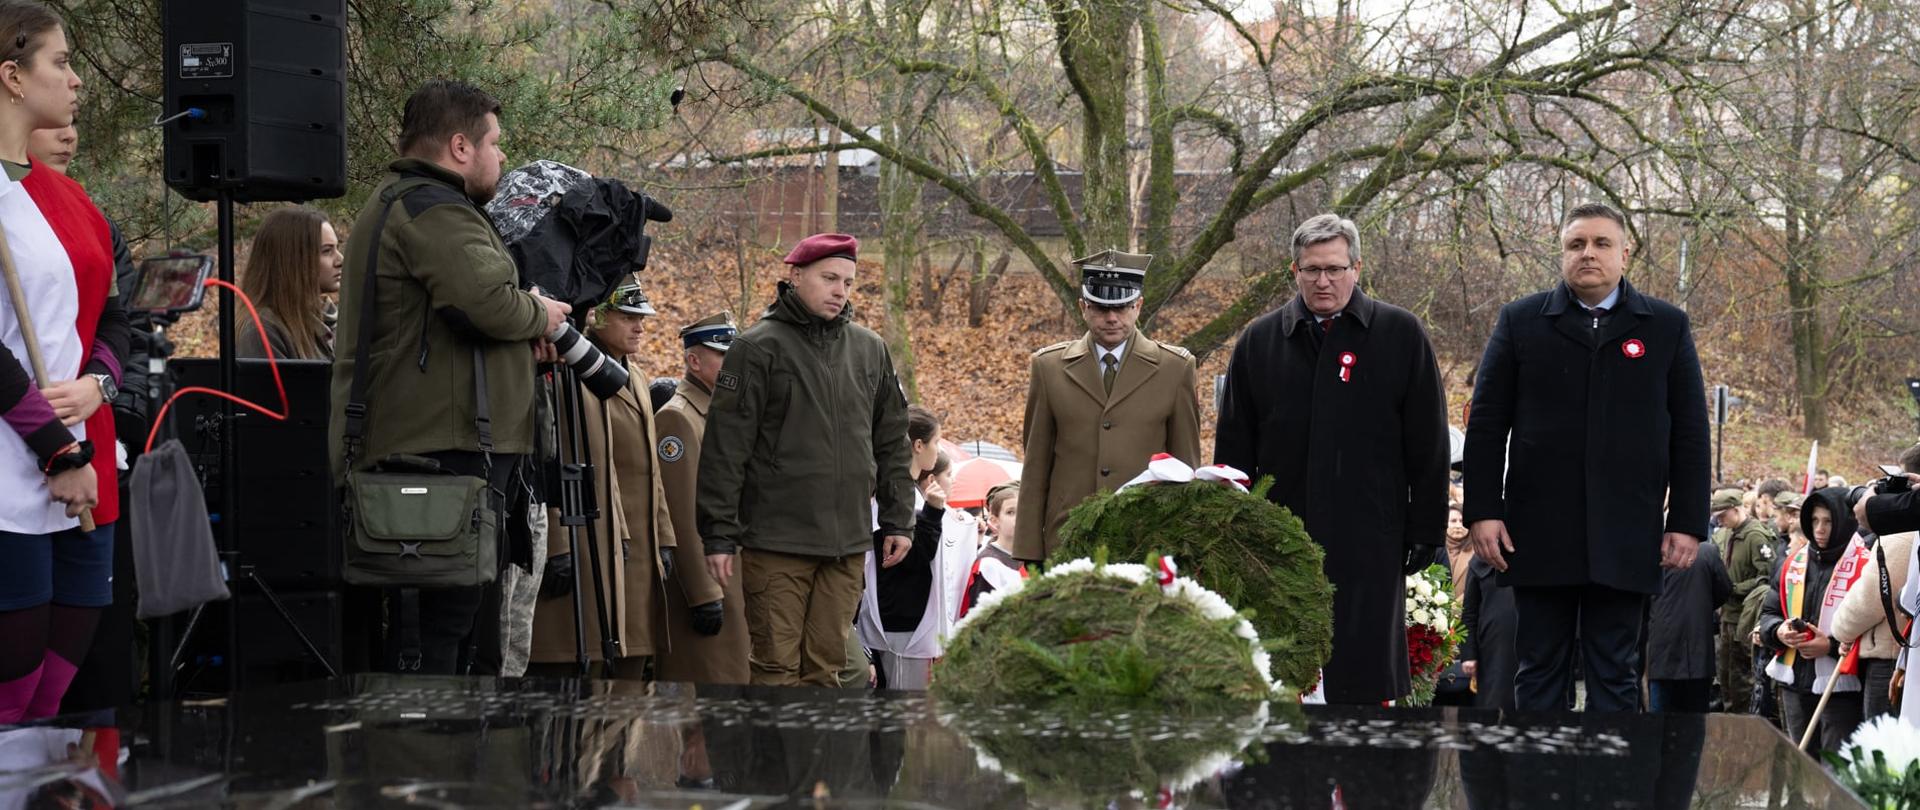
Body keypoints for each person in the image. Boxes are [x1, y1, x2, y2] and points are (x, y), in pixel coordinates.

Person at [328, 79, 571, 674]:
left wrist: (520, 348)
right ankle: (425, 761)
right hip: (437, 461)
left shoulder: (413, 203)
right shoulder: (432, 209)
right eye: (495, 144)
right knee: (435, 638)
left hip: (439, 455)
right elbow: (485, 302)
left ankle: (435, 757)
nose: (502, 157)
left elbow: (448, 327)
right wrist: (541, 312)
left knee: (451, 632)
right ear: (460, 147)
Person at [1464, 202, 1711, 713]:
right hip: (1537, 531)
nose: (1588, 254)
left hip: (1626, 531)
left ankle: (1611, 789)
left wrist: (1687, 521)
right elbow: (1486, 425)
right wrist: (1483, 511)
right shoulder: (1520, 321)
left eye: (1601, 243)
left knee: (1616, 674)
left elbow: (1690, 431)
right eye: (1576, 244)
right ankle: (1543, 787)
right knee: (1537, 671)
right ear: (1561, 253)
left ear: (1625, 252)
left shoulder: (1665, 326)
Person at [1215, 214, 1450, 705]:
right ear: (1294, 271)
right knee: (1288, 677)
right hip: (1282, 540)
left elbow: (1428, 444)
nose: (1324, 281)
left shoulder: (1400, 333)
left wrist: (1426, 530)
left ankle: (1358, 776)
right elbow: (1234, 450)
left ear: (1357, 268)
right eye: (1312, 269)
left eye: (1335, 269)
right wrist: (1234, 531)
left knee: (1361, 680)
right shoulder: (1259, 342)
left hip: (1370, 538)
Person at [696, 233, 916, 688]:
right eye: (829, 278)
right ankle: (773, 762)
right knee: (775, 668)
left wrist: (898, 520)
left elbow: (892, 441)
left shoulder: (869, 348)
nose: (841, 291)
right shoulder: (757, 348)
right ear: (796, 276)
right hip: (777, 541)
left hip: (847, 544)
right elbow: (725, 448)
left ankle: (817, 762)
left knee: (827, 669)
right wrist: (718, 534)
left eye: (850, 283)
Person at [0, 1, 124, 722]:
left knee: (50, 701)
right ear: (13, 77)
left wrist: (99, 382)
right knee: (11, 701)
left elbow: (110, 310)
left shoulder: (63, 195)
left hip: (78, 466)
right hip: (22, 468)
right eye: (61, 61)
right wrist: (55, 450)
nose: (76, 79)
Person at [528, 276, 674, 677]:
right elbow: (550, 457)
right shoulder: (563, 373)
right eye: (628, 317)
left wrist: (664, 537)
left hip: (631, 550)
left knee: (628, 673)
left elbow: (651, 470)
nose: (640, 326)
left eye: (641, 317)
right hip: (588, 540)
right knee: (578, 668)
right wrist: (557, 541)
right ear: (597, 316)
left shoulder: (638, 378)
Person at [1016, 249, 1201, 563]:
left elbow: (1185, 467)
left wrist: (1187, 546)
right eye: (1101, 308)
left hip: (1146, 540)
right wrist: (1029, 550)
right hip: (1068, 539)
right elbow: (1036, 465)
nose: (1112, 318)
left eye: (1123, 307)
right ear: (1083, 307)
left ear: (1138, 305)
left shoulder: (1175, 368)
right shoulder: (1049, 368)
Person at [655, 312, 750, 685]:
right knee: (701, 709)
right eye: (723, 356)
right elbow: (680, 513)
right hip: (710, 585)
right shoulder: (678, 419)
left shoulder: (718, 413)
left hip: (733, 577)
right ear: (694, 361)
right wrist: (703, 594)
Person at [858, 414, 969, 691]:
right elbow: (908, 560)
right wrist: (933, 513)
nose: (939, 449)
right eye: (936, 441)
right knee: (900, 718)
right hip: (899, 624)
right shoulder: (894, 495)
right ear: (918, 445)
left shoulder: (908, 492)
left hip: (909, 620)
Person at [1759, 488, 1867, 752]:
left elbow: (1872, 634)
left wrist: (1829, 646)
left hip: (1840, 689)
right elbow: (1768, 615)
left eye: (1828, 521)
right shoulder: (1791, 563)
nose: (1819, 529)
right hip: (1794, 681)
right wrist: (1779, 631)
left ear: (1843, 522)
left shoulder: (1866, 565)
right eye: (1815, 520)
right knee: (1800, 765)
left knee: (1834, 770)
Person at [237, 206, 342, 361]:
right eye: (327, 251)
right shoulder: (263, 331)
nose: (340, 260)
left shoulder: (332, 320)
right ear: (292, 260)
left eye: (337, 248)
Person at [1646, 537, 1731, 712]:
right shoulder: (1707, 551)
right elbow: (1724, 589)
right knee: (1696, 718)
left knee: (1660, 716)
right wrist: (1703, 605)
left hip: (1662, 644)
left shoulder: (1651, 550)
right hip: (1697, 646)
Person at [1711, 487, 1775, 713]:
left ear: (1736, 509)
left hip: (1745, 616)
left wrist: (1733, 588)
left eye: (1722, 515)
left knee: (1742, 676)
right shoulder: (1725, 534)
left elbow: (1766, 577)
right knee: (1725, 674)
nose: (1719, 520)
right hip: (1726, 615)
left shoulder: (1756, 536)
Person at [958, 482, 1024, 619]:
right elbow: (981, 621)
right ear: (994, 521)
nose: (1020, 517)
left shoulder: (1027, 558)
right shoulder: (988, 565)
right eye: (1010, 512)